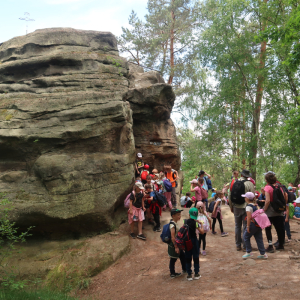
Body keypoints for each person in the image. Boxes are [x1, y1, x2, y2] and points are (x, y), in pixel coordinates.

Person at [228, 169, 255, 251]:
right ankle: (245, 246)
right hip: (246, 207)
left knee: (237, 226)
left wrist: (231, 206)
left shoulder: (234, 182)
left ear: (241, 175)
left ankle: (238, 245)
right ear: (248, 176)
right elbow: (253, 197)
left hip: (236, 206)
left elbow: (229, 194)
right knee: (245, 226)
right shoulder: (250, 184)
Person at [263, 171, 287, 252]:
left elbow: (267, 201)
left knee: (268, 229)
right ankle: (281, 245)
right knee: (280, 229)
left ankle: (270, 246)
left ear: (267, 180)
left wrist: (264, 209)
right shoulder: (280, 187)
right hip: (279, 211)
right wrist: (283, 206)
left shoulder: (267, 187)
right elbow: (285, 196)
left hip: (270, 212)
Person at [242, 192, 268, 259]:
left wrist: (247, 227)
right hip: (258, 225)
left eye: (245, 197)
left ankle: (249, 252)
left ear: (247, 199)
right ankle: (263, 254)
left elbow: (249, 218)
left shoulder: (248, 207)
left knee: (246, 237)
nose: (244, 198)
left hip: (252, 224)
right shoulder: (256, 205)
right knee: (259, 239)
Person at [168, 208, 187, 278]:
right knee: (173, 258)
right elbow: (173, 236)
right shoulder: (172, 225)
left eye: (180, 215)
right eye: (178, 215)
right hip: (174, 244)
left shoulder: (175, 223)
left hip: (177, 243)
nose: (180, 216)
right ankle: (172, 273)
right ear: (173, 216)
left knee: (182, 256)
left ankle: (184, 269)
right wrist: (176, 247)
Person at [185, 208, 202, 281]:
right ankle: (196, 273)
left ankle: (189, 274)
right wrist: (201, 224)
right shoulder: (196, 223)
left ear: (189, 214)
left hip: (187, 241)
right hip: (194, 241)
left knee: (188, 257)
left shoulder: (185, 221)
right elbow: (202, 232)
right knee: (196, 257)